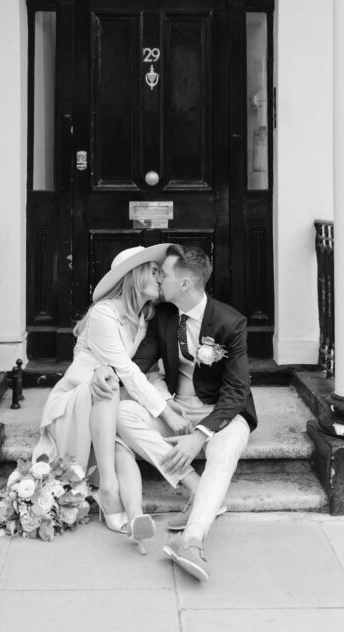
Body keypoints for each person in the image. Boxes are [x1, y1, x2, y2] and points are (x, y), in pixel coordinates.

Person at [92, 243, 257, 582]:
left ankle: (192, 540)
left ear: (185, 284)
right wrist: (104, 369)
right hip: (177, 409)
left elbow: (237, 392)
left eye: (163, 275)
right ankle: (195, 488)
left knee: (224, 451)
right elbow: (137, 365)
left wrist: (200, 437)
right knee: (122, 413)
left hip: (221, 413)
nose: (158, 279)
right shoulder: (164, 315)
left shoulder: (231, 322)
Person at [32, 243, 193, 553]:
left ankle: (134, 517)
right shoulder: (104, 314)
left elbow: (148, 373)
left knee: (120, 435)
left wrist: (165, 399)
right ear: (135, 276)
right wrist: (167, 415)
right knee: (107, 377)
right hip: (74, 402)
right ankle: (108, 487)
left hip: (105, 411)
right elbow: (127, 371)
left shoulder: (144, 318)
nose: (161, 277)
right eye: (155, 272)